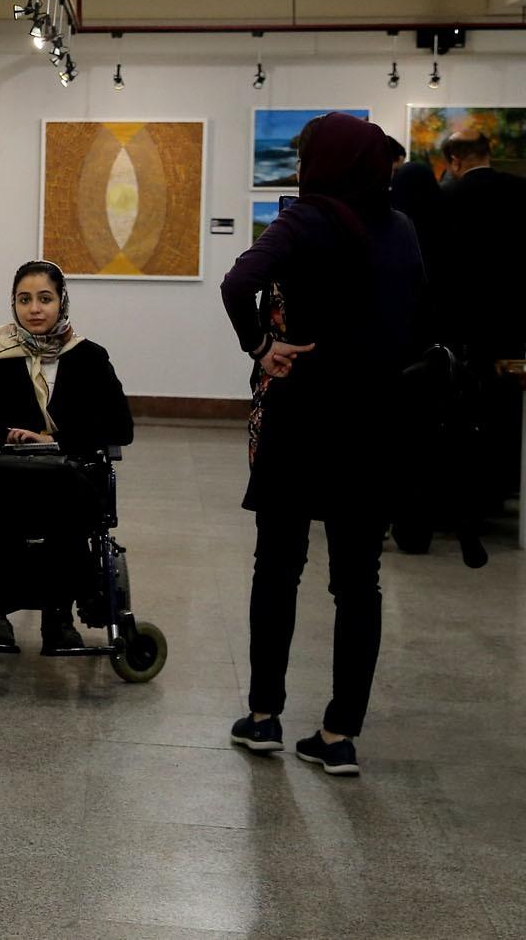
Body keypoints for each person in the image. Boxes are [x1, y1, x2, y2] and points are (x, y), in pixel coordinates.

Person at [220, 112, 427, 777]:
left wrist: (261, 345)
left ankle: (263, 716)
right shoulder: (400, 228)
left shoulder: (306, 219)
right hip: (373, 422)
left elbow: (237, 283)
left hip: (301, 416)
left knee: (278, 567)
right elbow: (419, 315)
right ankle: (339, 734)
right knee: (358, 582)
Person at [0, 260, 133, 653]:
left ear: (61, 302)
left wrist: (52, 438)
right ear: (13, 304)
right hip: (2, 474)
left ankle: (58, 617)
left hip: (64, 474)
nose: (34, 309)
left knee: (64, 489)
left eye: (45, 299)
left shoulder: (88, 357)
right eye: (24, 300)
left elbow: (119, 427)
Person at [434, 131, 526, 525]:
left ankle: (465, 493)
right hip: (513, 320)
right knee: (508, 405)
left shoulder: (447, 198)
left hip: (463, 322)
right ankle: (503, 486)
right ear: (489, 153)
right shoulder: (521, 192)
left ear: (454, 160)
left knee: (465, 405)